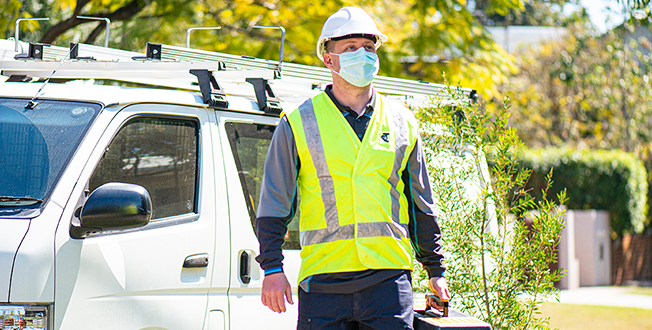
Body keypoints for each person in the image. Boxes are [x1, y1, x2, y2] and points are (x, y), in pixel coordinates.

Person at [255, 6, 449, 329]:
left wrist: (435, 270)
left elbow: (421, 207)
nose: (363, 55)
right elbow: (273, 206)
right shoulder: (298, 123)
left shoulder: (402, 122)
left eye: (369, 47)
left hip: (388, 283)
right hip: (323, 286)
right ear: (328, 59)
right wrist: (272, 269)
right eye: (350, 48)